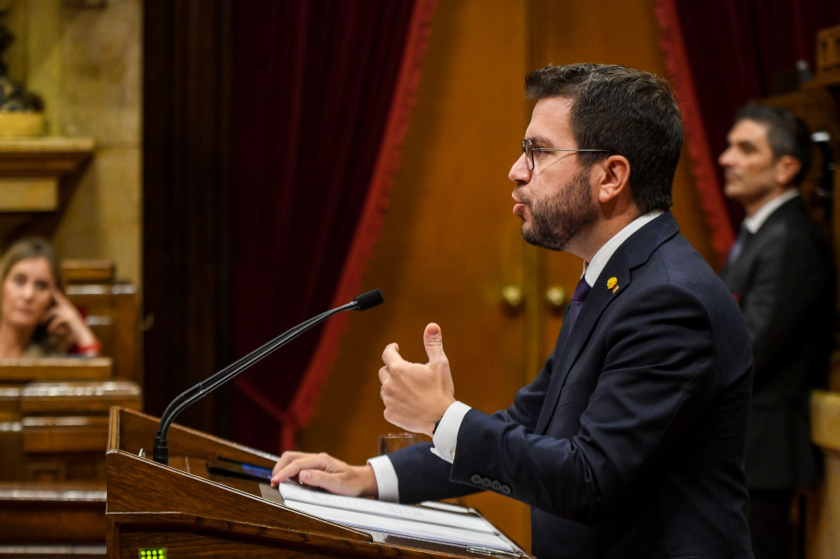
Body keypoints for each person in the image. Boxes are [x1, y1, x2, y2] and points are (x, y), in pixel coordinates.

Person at [272, 64, 754, 558]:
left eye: (539, 151)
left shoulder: (669, 300)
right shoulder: (618, 275)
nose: (517, 170)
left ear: (611, 176)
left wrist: (442, 418)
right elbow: (529, 425)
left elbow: (590, 479)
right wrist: (369, 477)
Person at [718, 103, 835, 559]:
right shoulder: (760, 230)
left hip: (762, 453)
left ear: (787, 167)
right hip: (745, 449)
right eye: (728, 146)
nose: (727, 158)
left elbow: (748, 347)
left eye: (745, 148)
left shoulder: (790, 239)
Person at [0, 237, 101, 359]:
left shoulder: (49, 358)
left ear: (52, 300)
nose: (28, 295)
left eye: (41, 286)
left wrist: (75, 322)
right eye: (19, 281)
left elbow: (95, 369)